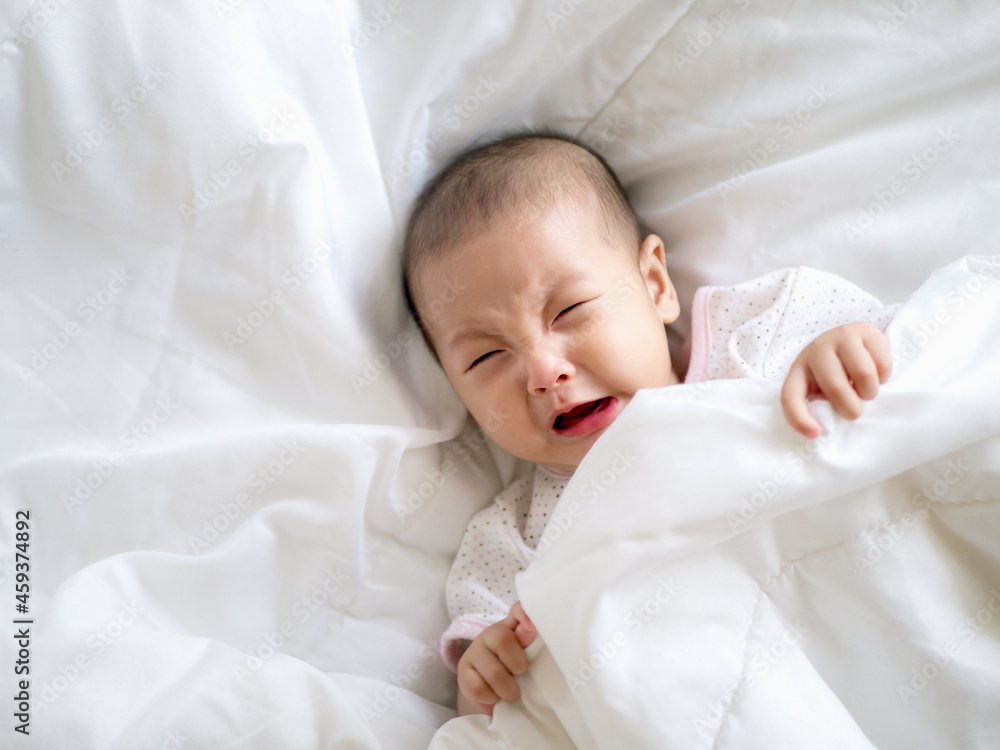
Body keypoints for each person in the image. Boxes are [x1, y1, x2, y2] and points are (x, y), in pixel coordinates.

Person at [401, 129, 895, 717]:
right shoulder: (514, 534)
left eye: (570, 311)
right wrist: (485, 669)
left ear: (656, 285)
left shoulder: (755, 341)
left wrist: (841, 355)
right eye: (485, 358)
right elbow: (502, 697)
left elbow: (914, 371)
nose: (544, 370)